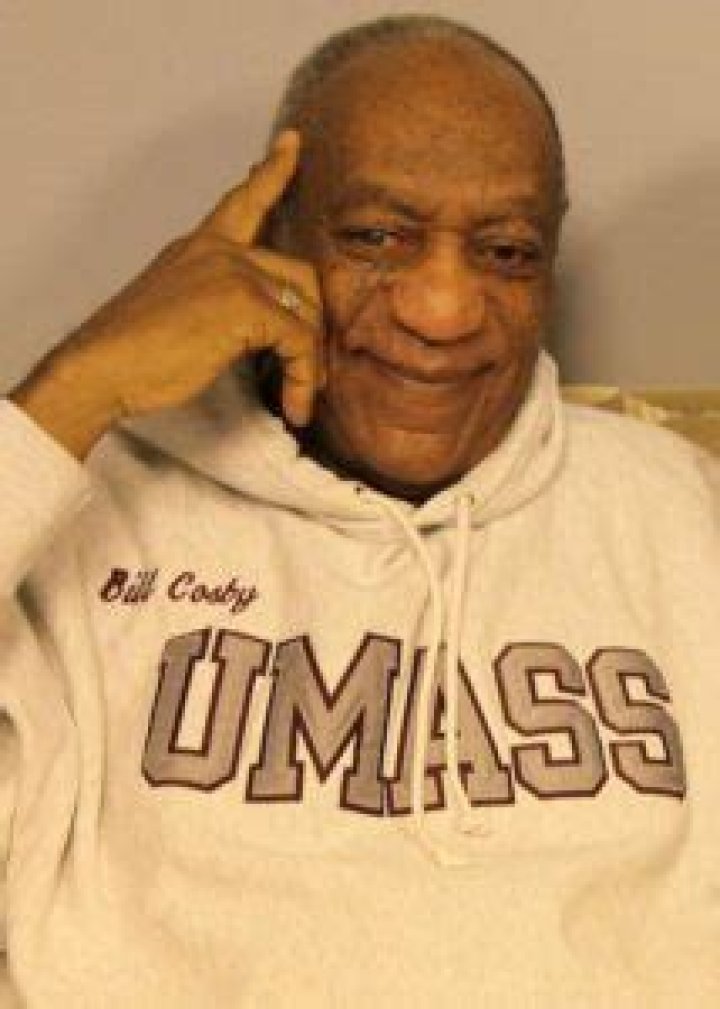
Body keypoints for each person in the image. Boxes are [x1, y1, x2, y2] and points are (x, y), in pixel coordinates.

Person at [1, 14, 718, 1008]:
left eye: (506, 251)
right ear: (270, 241)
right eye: (377, 237)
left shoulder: (677, 512)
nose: (442, 309)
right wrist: (76, 391)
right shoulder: (81, 519)